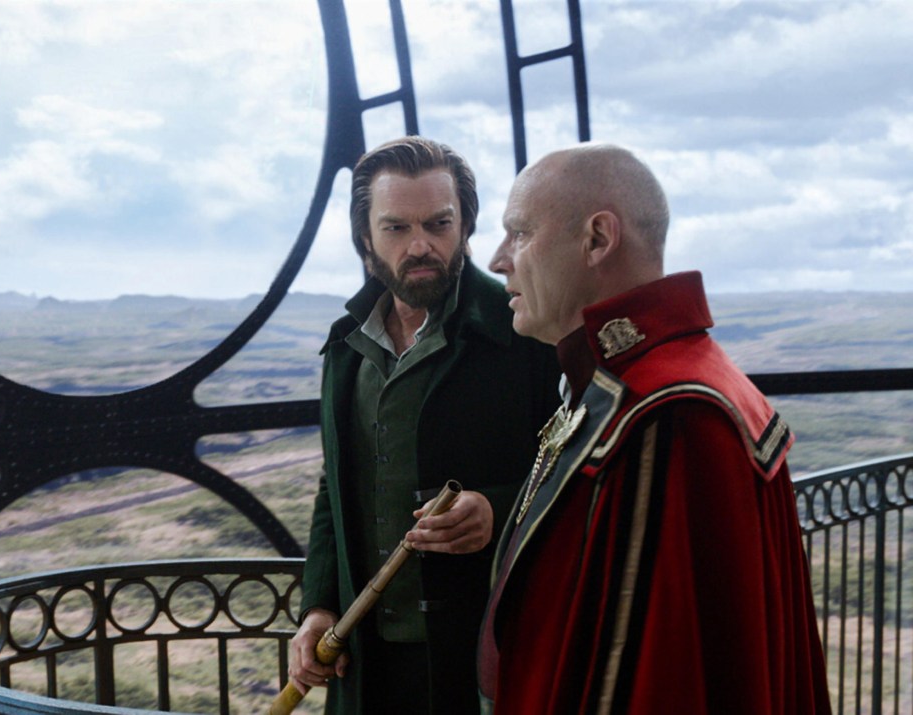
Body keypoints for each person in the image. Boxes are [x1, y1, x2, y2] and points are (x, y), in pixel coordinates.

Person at [478, 143, 832, 714]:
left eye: (519, 233)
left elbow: (661, 679)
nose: (498, 260)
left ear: (598, 239)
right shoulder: (640, 386)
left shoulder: (668, 414)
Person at [289, 136, 561, 714]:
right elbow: (335, 488)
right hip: (364, 662)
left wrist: (497, 511)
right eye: (396, 228)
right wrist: (318, 607)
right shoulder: (346, 345)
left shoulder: (527, 334)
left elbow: (583, 478)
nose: (420, 246)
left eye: (439, 224)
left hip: (486, 654)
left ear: (466, 226)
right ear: (366, 238)